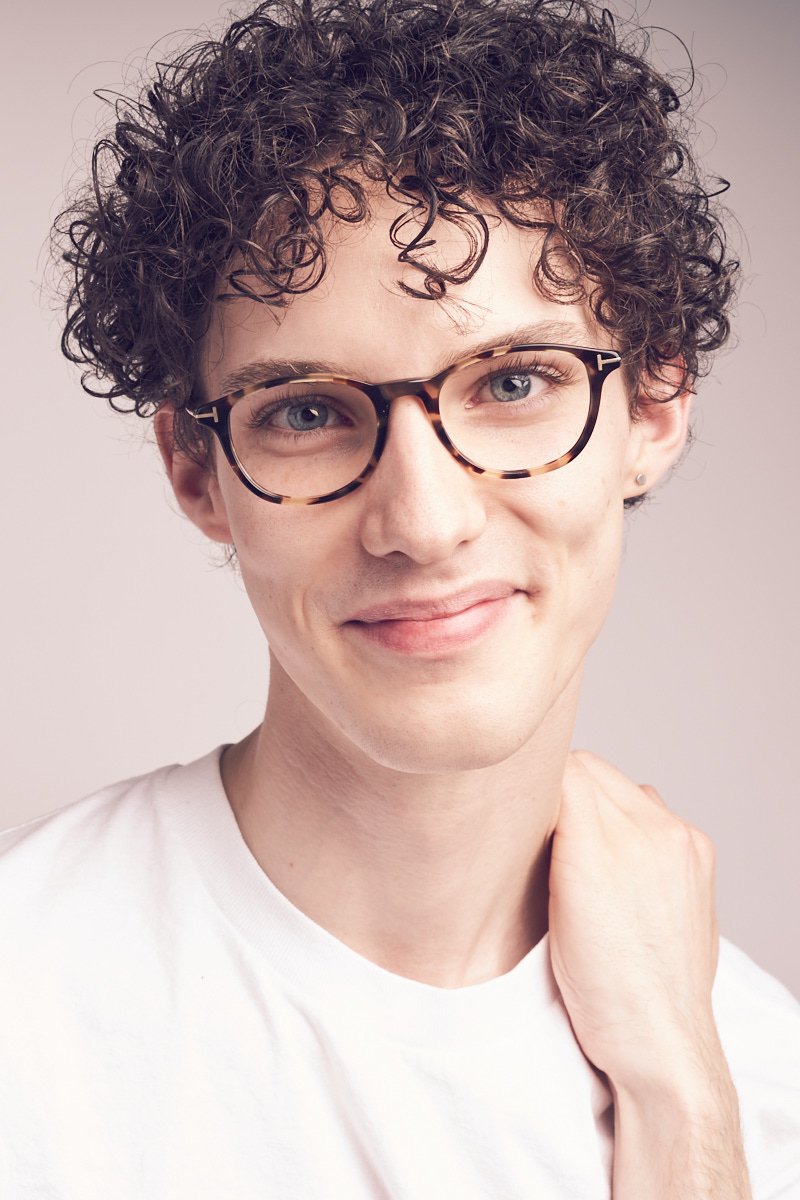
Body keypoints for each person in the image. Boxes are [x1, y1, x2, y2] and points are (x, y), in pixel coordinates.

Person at [1, 0, 798, 1196]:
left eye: (513, 382)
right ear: (195, 471)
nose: (422, 523)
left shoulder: (754, 1088)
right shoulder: (23, 1005)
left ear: (653, 408)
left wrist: (680, 1106)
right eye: (305, 411)